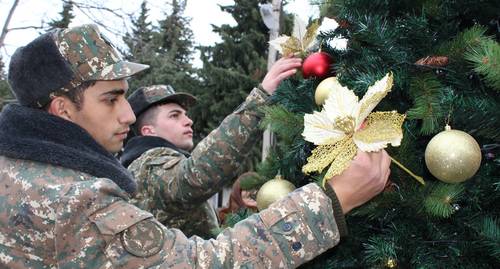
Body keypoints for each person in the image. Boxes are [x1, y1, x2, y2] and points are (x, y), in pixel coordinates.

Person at [0, 23, 391, 268]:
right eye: (110, 98)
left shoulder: (30, 170)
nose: (127, 115)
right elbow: (200, 259)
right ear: (62, 109)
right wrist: (330, 201)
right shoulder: (73, 198)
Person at [120, 60, 301, 238]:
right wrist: (260, 99)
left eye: (186, 115)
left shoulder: (163, 163)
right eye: (174, 116)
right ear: (148, 131)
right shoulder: (148, 164)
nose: (188, 121)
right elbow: (195, 177)